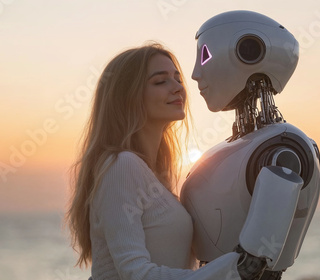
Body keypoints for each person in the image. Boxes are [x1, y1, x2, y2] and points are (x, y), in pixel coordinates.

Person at [65, 43, 240, 280]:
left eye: (177, 79)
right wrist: (235, 268)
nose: (178, 87)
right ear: (128, 97)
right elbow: (135, 273)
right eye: (161, 81)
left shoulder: (154, 174)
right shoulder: (122, 166)